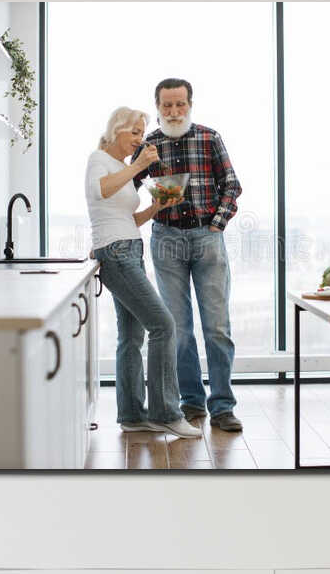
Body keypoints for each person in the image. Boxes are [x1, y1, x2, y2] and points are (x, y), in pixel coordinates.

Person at [85, 107, 201, 441]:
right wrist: (139, 166)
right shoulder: (99, 159)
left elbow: (125, 218)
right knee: (164, 325)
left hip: (129, 249)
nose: (139, 139)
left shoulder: (120, 167)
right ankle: (167, 413)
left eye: (141, 132)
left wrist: (155, 209)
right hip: (117, 253)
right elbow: (100, 191)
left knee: (132, 337)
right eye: (134, 132)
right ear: (115, 130)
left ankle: (133, 415)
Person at [141, 78, 243, 433]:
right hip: (166, 240)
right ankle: (191, 403)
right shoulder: (148, 145)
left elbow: (232, 184)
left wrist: (217, 223)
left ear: (190, 104)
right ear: (157, 107)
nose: (173, 112)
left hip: (207, 238)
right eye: (167, 105)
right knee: (179, 330)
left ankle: (223, 406)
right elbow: (126, 186)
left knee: (217, 327)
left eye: (179, 104)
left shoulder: (208, 137)